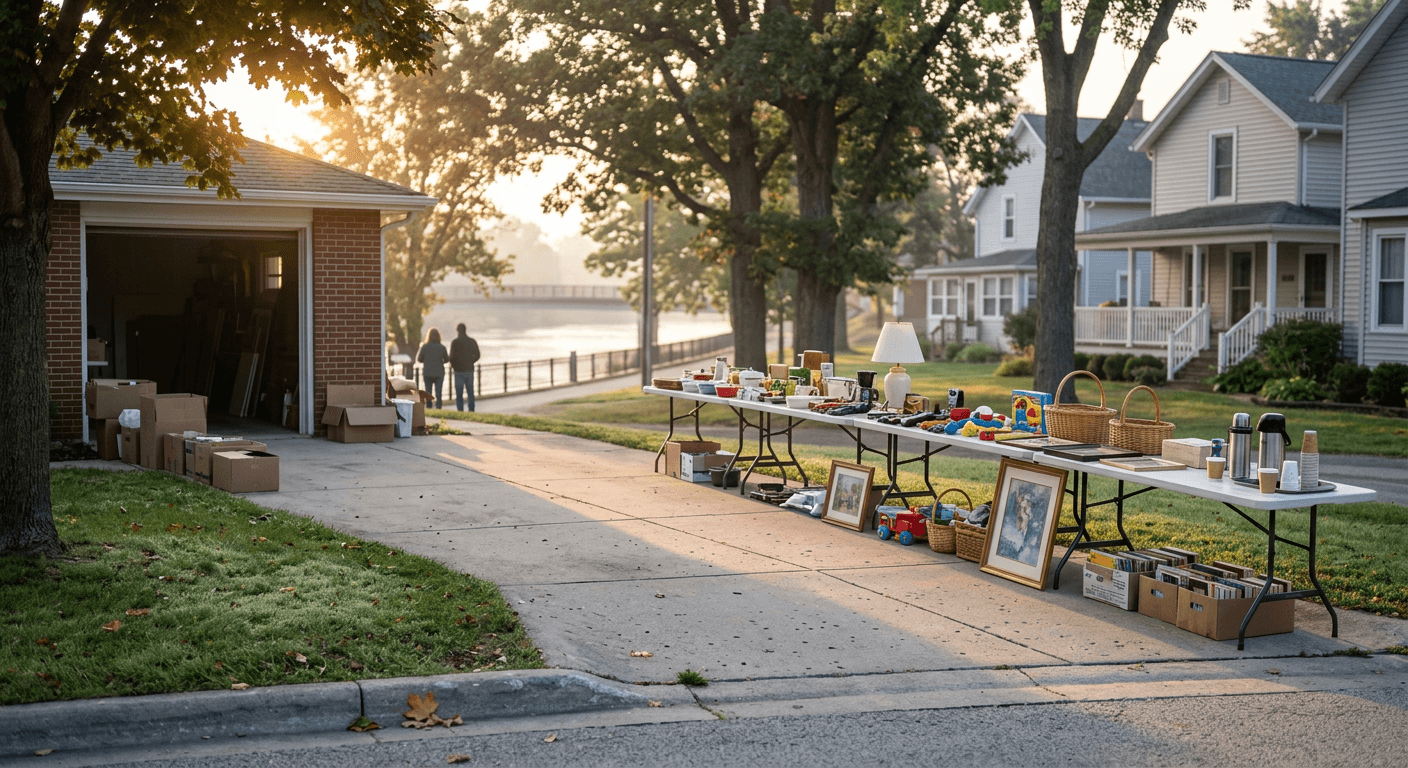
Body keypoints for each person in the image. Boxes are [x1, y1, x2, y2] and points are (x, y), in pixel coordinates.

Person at [449, 322, 481, 411]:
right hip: (469, 370)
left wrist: (454, 366)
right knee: (470, 392)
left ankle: (460, 410)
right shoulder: (472, 341)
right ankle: (471, 410)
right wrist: (471, 361)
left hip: (458, 371)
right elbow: (478, 355)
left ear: (457, 331)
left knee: (459, 394)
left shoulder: (455, 342)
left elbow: (451, 357)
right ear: (465, 330)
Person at [416, 327, 449, 409]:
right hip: (439, 373)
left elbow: (419, 359)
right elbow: (447, 360)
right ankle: (438, 407)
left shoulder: (424, 346)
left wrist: (427, 360)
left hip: (427, 373)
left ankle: (429, 407)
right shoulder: (442, 347)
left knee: (428, 392)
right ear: (439, 336)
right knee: (439, 392)